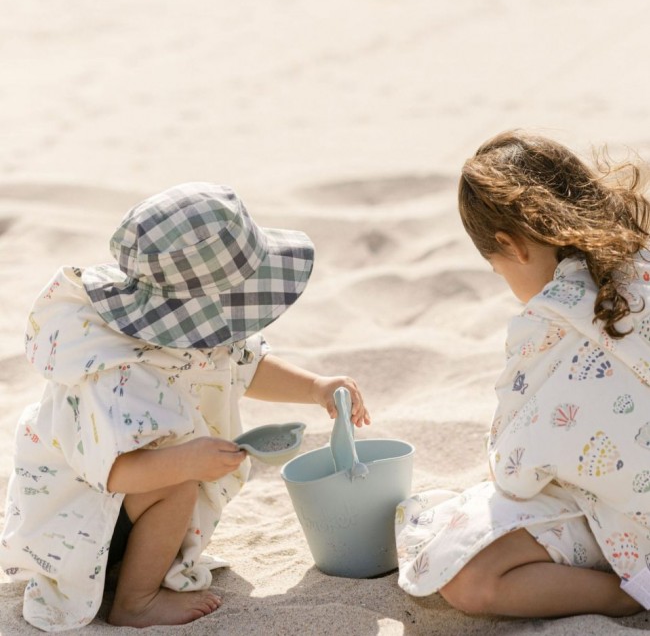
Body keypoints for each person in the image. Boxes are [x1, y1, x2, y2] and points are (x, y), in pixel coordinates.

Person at [0, 182, 371, 631]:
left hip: (124, 503)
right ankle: (135, 602)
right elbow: (114, 471)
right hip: (84, 516)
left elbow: (245, 365)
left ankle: (148, 557)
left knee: (178, 479)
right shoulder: (117, 372)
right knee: (175, 484)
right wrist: (186, 460)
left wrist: (315, 387)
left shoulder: (199, 336)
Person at [395, 130, 650, 618]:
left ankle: (623, 595)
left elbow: (516, 473)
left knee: (469, 578)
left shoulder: (547, 322)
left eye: (497, 269)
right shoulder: (643, 265)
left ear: (512, 246)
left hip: (631, 529)